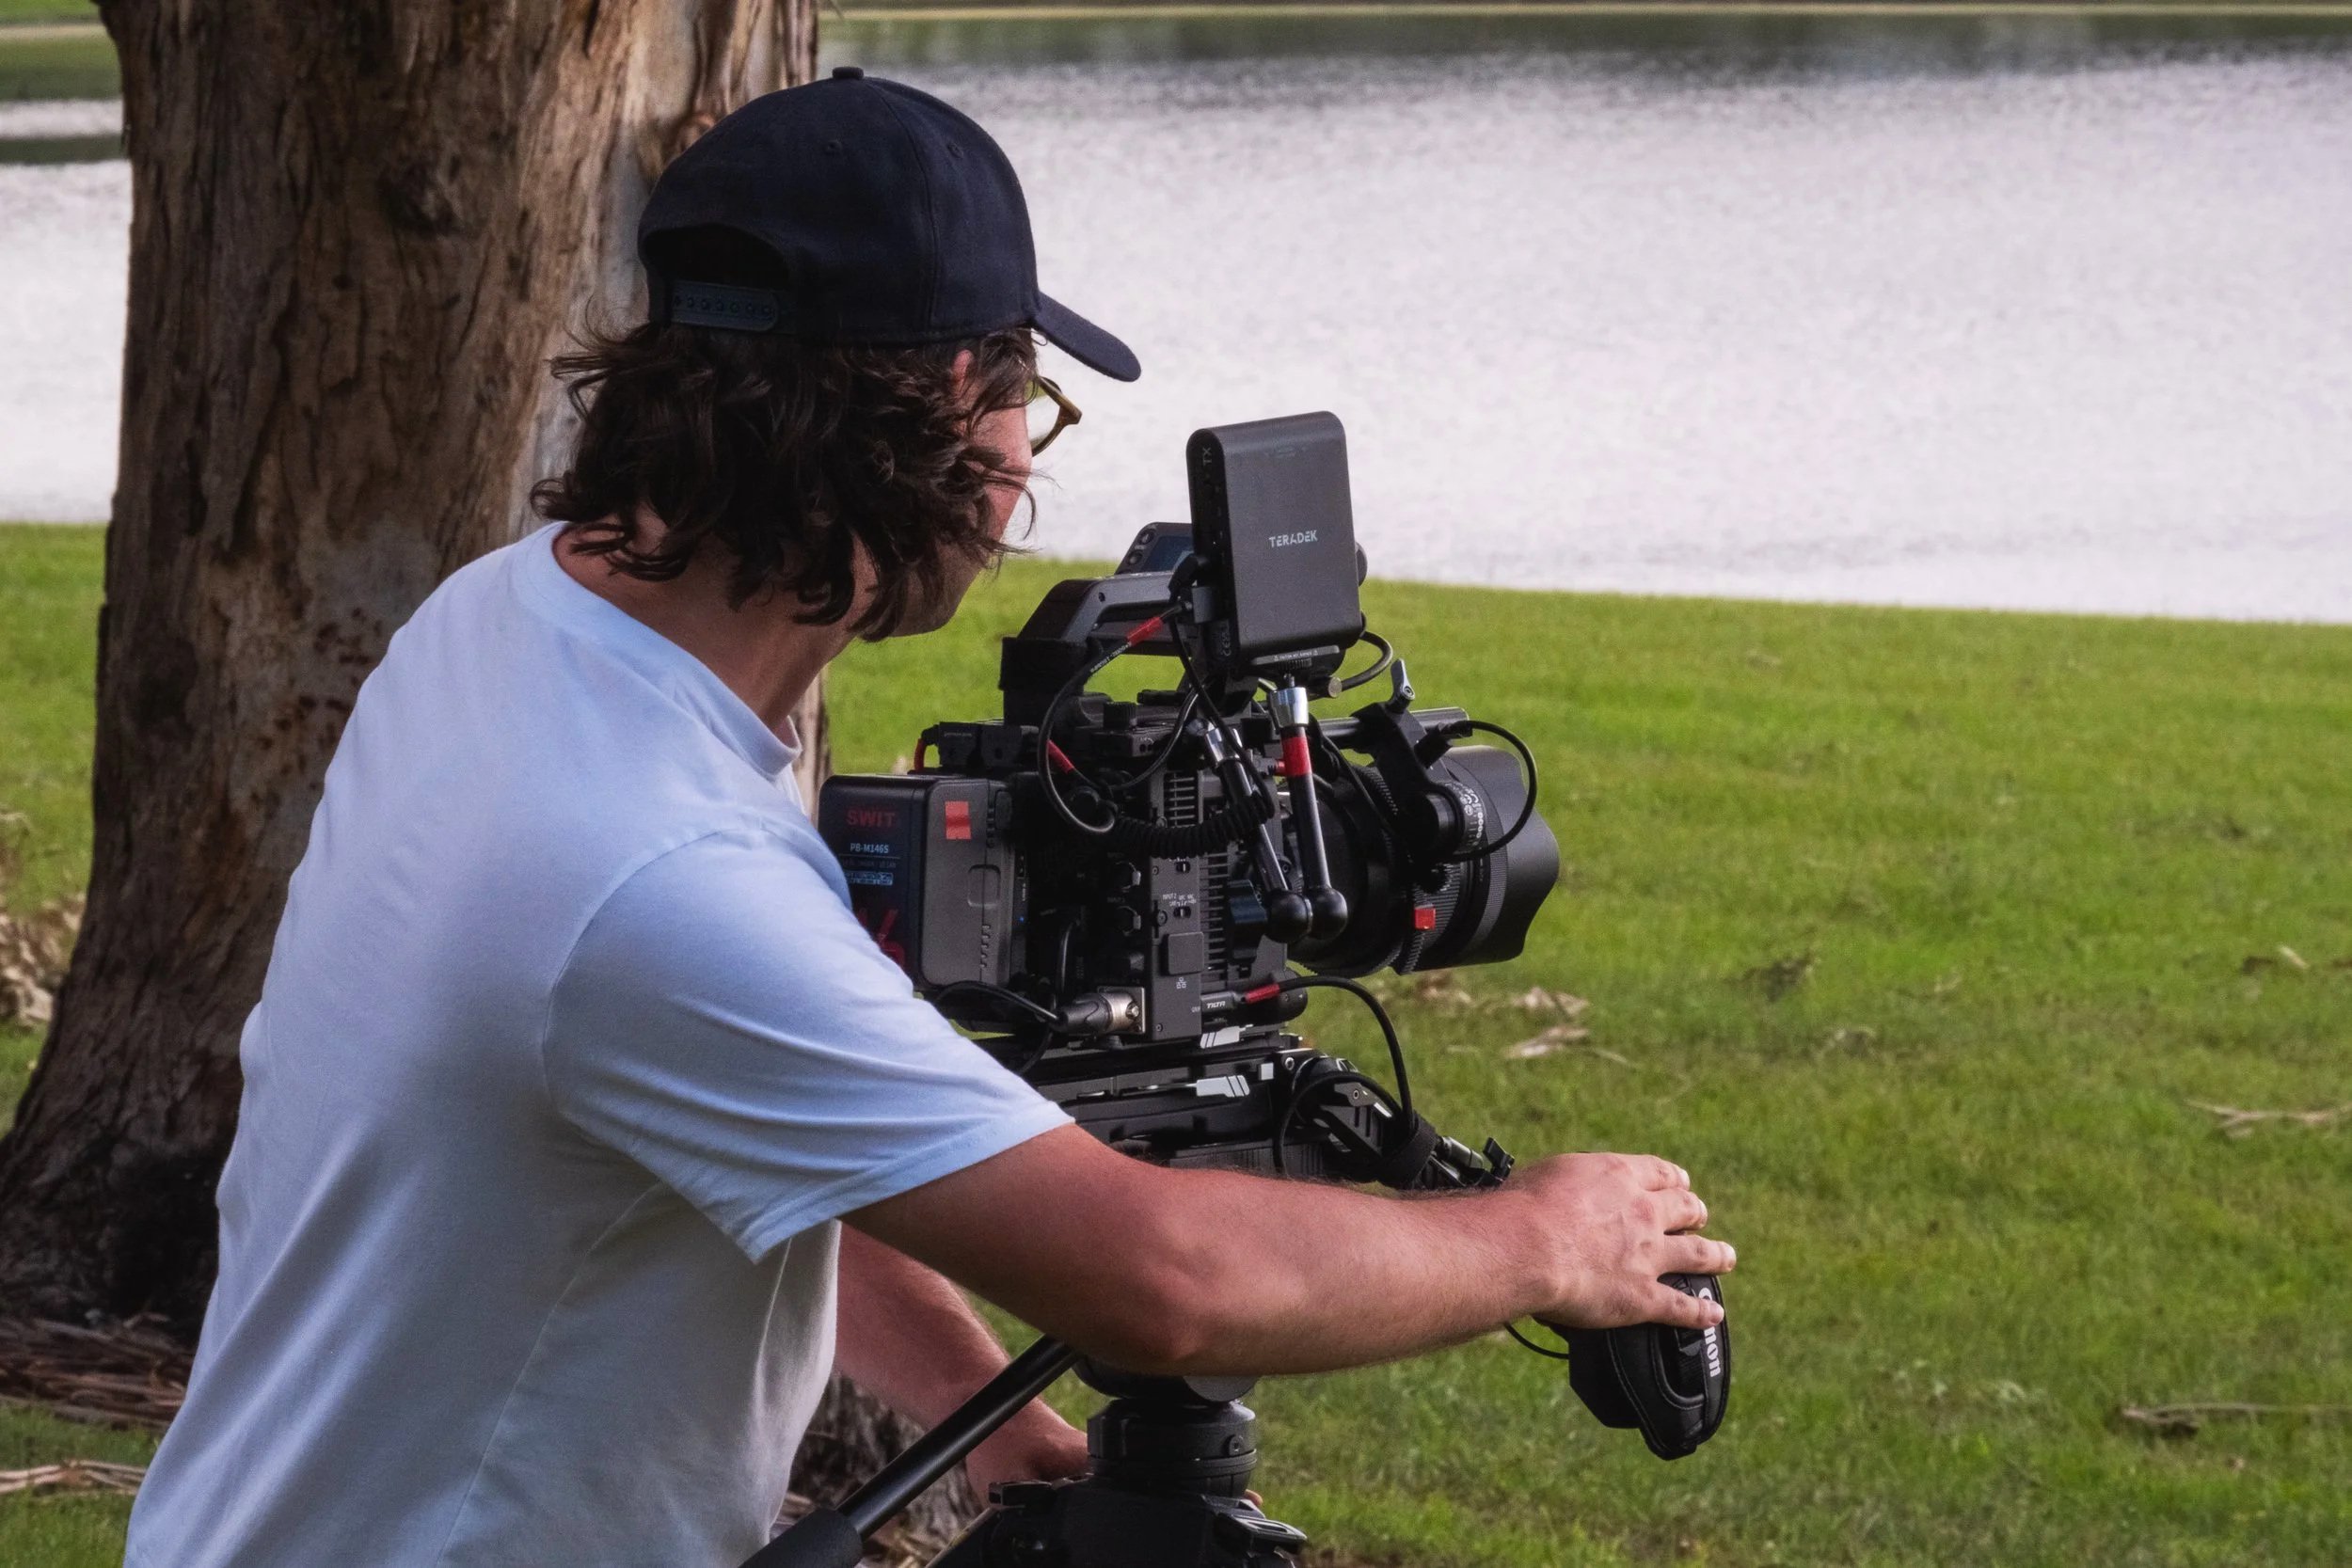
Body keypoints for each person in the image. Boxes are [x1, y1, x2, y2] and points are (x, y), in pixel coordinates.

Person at [122, 70, 1734, 1568]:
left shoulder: (504, 632)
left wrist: (1006, 1430)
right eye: (1032, 404)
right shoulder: (649, 869)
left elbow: (769, 1133)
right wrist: (1538, 1240)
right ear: (962, 404)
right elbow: (1166, 1281)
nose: (1028, 470)